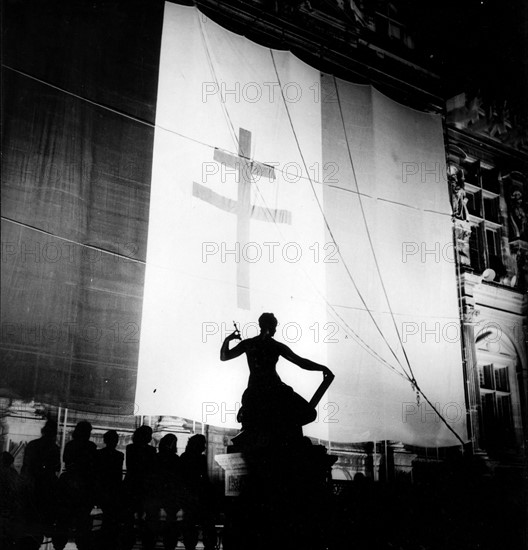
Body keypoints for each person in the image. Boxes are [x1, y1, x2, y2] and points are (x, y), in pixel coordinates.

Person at [220, 312, 333, 444]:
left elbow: (224, 356)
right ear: (268, 326)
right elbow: (300, 362)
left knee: (302, 414)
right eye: (274, 327)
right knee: (308, 413)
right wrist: (322, 368)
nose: (275, 330)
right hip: (275, 390)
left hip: (255, 391)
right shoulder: (275, 346)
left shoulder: (249, 344)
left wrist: (228, 339)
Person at [53, 420, 97, 550]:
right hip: (85, 482)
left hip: (70, 481)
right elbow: (92, 465)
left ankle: (60, 542)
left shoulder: (70, 445)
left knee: (65, 517)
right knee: (82, 517)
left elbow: (67, 461)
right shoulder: (91, 446)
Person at [180, 435, 216, 550]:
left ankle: (190, 543)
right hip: (199, 493)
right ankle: (209, 543)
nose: (204, 447)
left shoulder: (184, 456)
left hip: (189, 492)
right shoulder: (201, 458)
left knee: (190, 522)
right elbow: (205, 477)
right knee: (206, 522)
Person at [95, 430, 124, 550]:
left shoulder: (99, 454)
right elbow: (118, 474)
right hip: (113, 486)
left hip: (103, 486)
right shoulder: (119, 455)